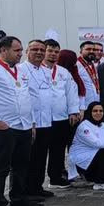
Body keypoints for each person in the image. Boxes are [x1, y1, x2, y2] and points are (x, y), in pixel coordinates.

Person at [0, 36, 40, 206]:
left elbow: (27, 97)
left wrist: (32, 123)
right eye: (17, 50)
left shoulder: (20, 71)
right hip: (4, 127)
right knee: (1, 169)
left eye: (21, 50)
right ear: (3, 50)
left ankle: (18, 200)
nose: (20, 54)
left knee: (21, 166)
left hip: (24, 125)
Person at [43, 40, 80, 189]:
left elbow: (71, 93)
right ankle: (34, 184)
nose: (53, 54)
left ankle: (55, 178)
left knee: (58, 150)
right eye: (50, 51)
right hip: (42, 119)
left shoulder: (63, 72)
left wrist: (73, 111)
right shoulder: (36, 70)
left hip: (61, 117)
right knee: (39, 152)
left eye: (56, 52)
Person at [68, 102, 104, 191]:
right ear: (89, 112)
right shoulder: (84, 126)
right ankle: (101, 182)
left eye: (100, 111)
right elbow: (96, 143)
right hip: (82, 161)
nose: (98, 113)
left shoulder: (102, 125)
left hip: (94, 156)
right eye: (95, 111)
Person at [24, 40, 55, 200]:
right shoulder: (21, 70)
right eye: (35, 49)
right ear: (27, 51)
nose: (39, 52)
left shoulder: (46, 71)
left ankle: (37, 187)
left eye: (42, 50)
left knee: (41, 157)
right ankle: (27, 191)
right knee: (29, 159)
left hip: (46, 121)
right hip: (30, 122)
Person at [77, 41, 100, 110]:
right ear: (81, 51)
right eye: (88, 49)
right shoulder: (77, 65)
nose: (91, 51)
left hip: (95, 104)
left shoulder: (94, 65)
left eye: (93, 49)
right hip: (83, 106)